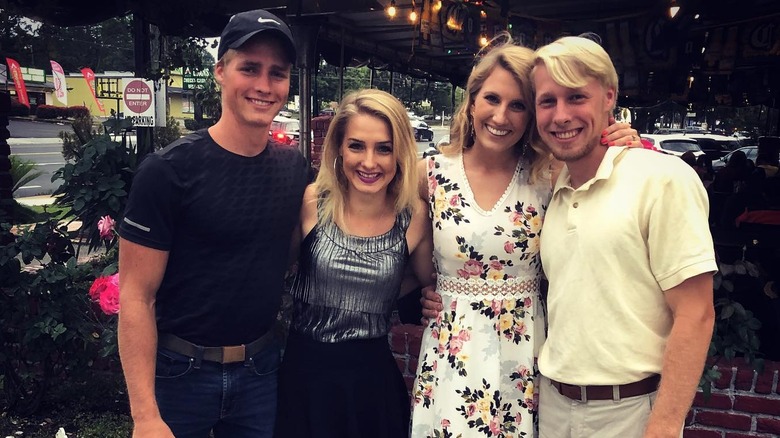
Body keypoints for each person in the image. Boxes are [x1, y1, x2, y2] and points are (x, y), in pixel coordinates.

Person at [410, 36, 640, 438]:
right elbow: (400, 255)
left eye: (518, 105)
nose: (502, 116)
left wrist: (625, 145)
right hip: (450, 352)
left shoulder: (550, 175)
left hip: (524, 354)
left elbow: (609, 202)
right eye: (492, 99)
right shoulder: (429, 174)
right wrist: (419, 294)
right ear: (473, 100)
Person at [117, 10, 309, 438]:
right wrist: (144, 416)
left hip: (260, 372)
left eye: (277, 73)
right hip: (179, 373)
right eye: (249, 68)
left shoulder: (293, 169)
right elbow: (136, 297)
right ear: (220, 71)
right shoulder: (168, 171)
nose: (264, 85)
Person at [531, 36, 716, 437]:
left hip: (631, 412)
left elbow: (696, 313)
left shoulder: (662, 179)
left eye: (576, 97)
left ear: (608, 97)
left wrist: (665, 426)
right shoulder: (550, 188)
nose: (561, 115)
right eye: (548, 101)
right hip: (554, 408)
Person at [275, 89, 435, 438]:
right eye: (356, 146)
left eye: (384, 148)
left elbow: (433, 283)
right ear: (339, 149)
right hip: (304, 380)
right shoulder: (312, 202)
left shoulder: (415, 218)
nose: (369, 162)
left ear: (400, 154)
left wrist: (432, 299)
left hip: (371, 389)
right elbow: (273, 271)